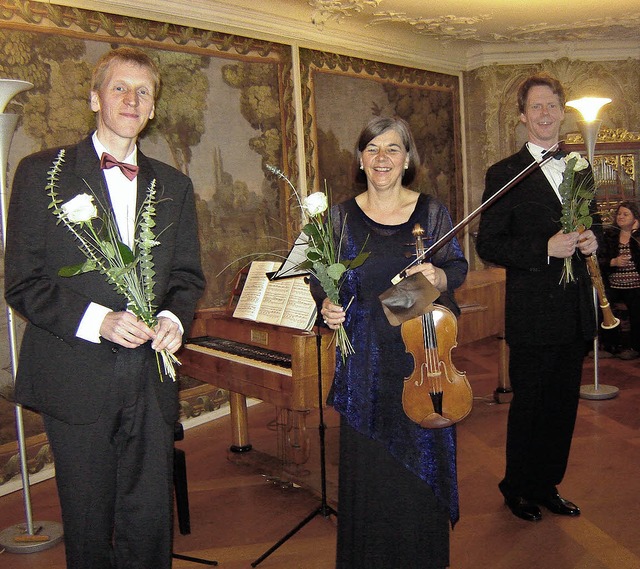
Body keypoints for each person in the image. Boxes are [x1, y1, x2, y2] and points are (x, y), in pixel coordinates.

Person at [4, 47, 206, 568]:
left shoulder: (175, 186)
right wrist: (100, 321)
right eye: (120, 88)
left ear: (154, 108)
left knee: (148, 519)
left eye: (144, 92)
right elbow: (22, 283)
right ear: (95, 98)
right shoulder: (39, 172)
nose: (132, 100)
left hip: (150, 381)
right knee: (90, 523)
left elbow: (185, 277)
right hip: (75, 374)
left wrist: (172, 319)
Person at [316, 116, 468, 569]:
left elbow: (455, 269)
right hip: (365, 365)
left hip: (423, 359)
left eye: (392, 149)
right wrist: (327, 304)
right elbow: (323, 280)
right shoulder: (339, 217)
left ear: (407, 160)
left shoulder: (432, 212)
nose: (382, 158)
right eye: (372, 149)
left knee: (420, 475)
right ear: (360, 160)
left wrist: (439, 275)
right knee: (372, 477)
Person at [476, 73, 598, 523]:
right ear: (523, 115)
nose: (545, 114)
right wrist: (543, 249)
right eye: (536, 107)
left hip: (574, 311)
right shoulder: (504, 173)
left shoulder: (579, 167)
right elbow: (487, 243)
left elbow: (596, 224)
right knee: (530, 405)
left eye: (552, 105)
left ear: (562, 111)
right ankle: (517, 487)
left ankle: (547, 485)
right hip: (532, 311)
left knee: (563, 405)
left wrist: (592, 241)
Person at [598, 200, 640, 360]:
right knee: (603, 305)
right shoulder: (610, 235)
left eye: (625, 214)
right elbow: (600, 259)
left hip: (636, 285)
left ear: (635, 217)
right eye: (619, 214)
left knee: (637, 308)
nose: (620, 217)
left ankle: (634, 347)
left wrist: (635, 234)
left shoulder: (638, 236)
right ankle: (610, 346)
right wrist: (613, 262)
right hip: (613, 284)